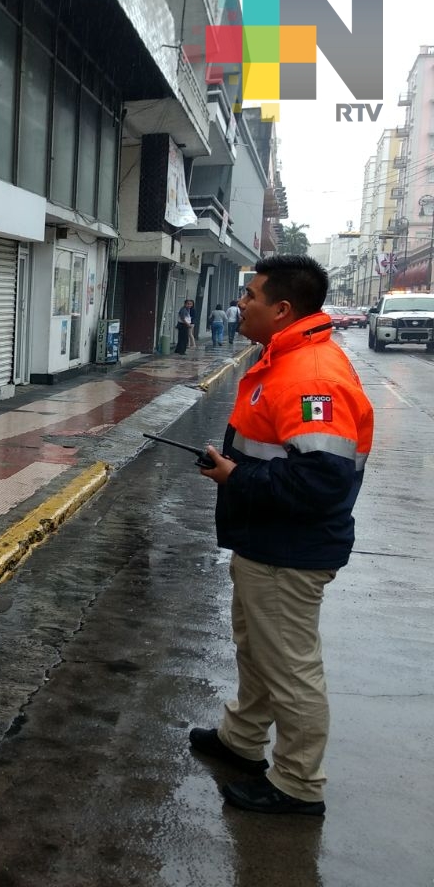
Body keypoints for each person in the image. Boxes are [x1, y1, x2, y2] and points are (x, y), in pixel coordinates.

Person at [191, 255, 374, 816]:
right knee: (258, 651)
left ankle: (297, 783)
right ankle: (242, 740)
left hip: (288, 551)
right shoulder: (285, 358)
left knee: (290, 668)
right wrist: (235, 470)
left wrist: (236, 477)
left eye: (250, 295)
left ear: (283, 308)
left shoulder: (311, 376)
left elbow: (322, 480)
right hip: (265, 540)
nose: (240, 303)